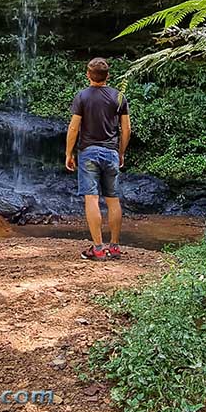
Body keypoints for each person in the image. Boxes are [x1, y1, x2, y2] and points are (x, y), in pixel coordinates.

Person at [65, 57, 131, 261]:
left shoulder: (82, 97)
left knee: (91, 199)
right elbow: (126, 129)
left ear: (88, 75)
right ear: (108, 76)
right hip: (111, 152)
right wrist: (120, 152)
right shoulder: (118, 96)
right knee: (113, 199)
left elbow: (74, 127)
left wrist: (69, 153)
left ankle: (98, 248)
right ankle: (115, 247)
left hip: (88, 153)